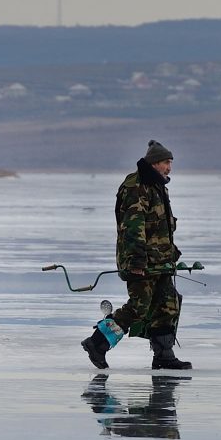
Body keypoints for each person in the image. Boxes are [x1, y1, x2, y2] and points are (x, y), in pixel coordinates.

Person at [81, 139, 192, 371]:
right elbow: (133, 227)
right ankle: (97, 343)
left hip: (160, 261)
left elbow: (160, 228)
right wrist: (137, 261)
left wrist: (171, 254)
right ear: (154, 163)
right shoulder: (136, 186)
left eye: (170, 162)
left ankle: (164, 355)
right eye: (166, 163)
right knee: (139, 307)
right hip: (140, 261)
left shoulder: (158, 186)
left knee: (168, 304)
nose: (169, 168)